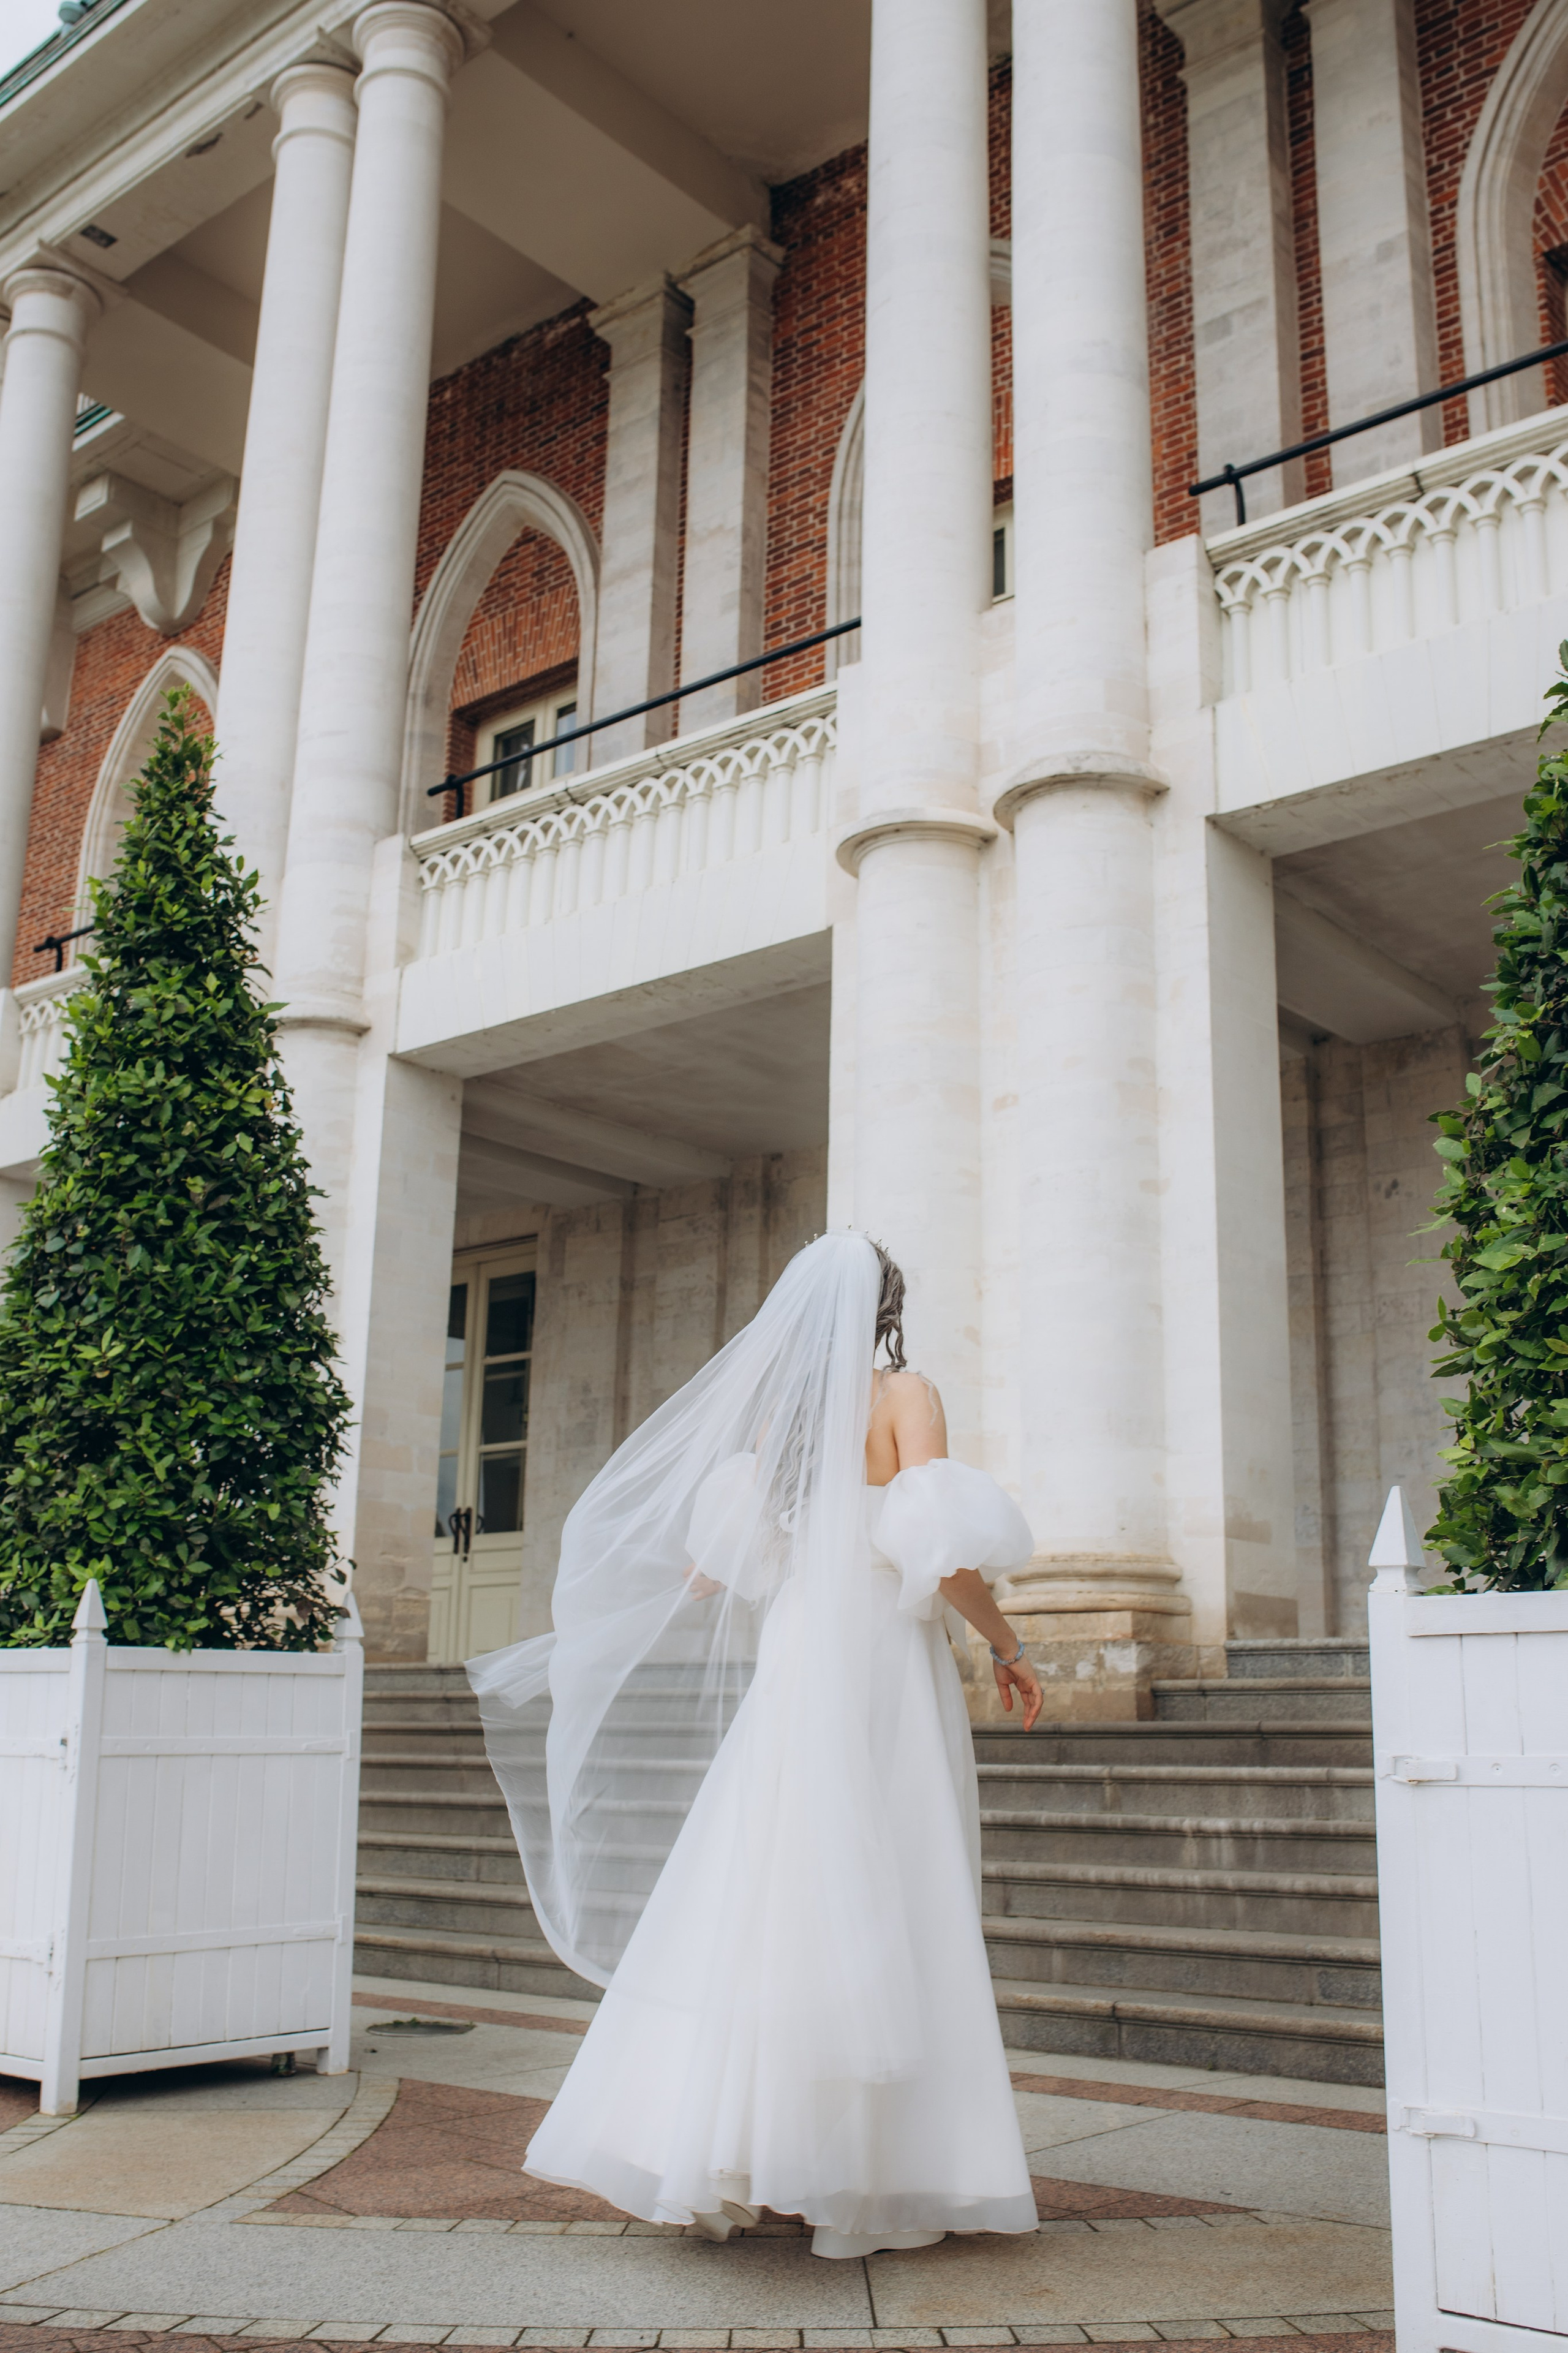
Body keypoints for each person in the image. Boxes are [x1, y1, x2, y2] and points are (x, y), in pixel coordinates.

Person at [468, 1229, 1045, 2259]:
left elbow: (721, 1568)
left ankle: (728, 2144)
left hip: (798, 1648)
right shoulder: (903, 1398)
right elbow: (943, 1554)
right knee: (891, 1872)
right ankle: (871, 2165)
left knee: (767, 1873)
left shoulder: (781, 1420)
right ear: (886, 1309)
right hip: (876, 1653)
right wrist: (1007, 1642)